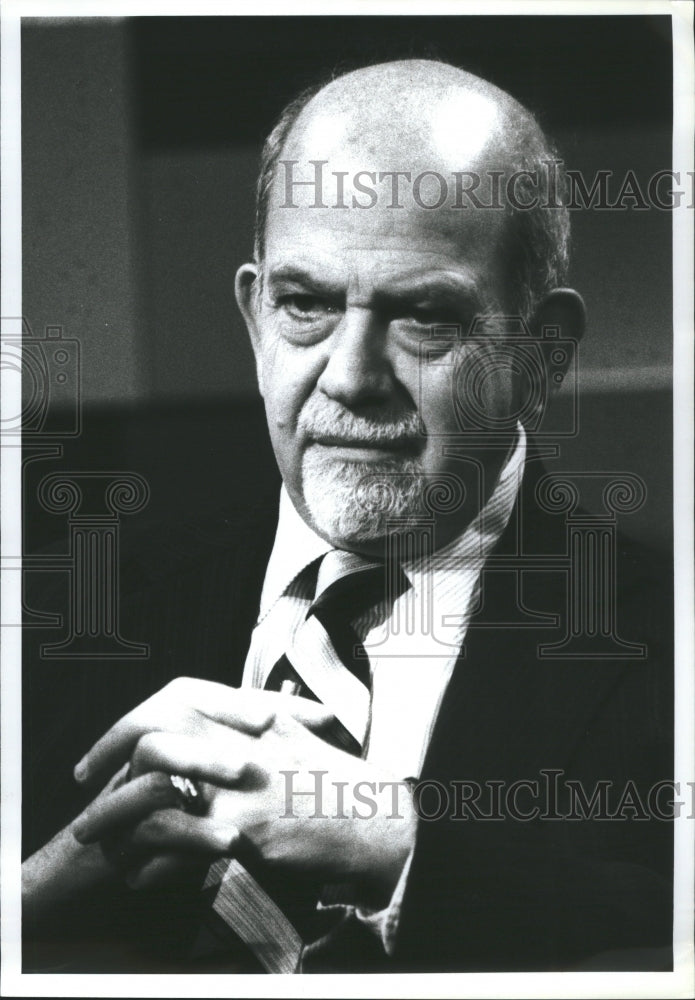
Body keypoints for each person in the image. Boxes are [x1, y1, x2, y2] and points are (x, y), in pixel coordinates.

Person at [22, 59, 673, 973]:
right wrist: (30, 903)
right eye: (306, 305)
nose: (349, 377)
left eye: (423, 317)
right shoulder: (50, 618)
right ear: (255, 318)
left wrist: (399, 851)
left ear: (542, 354)